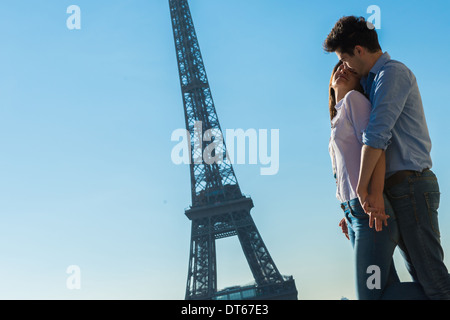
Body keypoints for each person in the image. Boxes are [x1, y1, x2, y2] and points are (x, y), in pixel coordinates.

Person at [324, 15, 450, 300]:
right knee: (424, 280)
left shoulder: (391, 74)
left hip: (410, 186)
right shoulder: (368, 84)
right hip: (395, 191)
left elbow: (377, 137)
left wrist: (365, 191)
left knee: (433, 280)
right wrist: (353, 206)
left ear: (358, 50)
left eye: (345, 59)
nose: (345, 67)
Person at [328, 61, 427, 300]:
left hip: (370, 217)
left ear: (359, 82)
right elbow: (345, 172)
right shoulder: (338, 116)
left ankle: (439, 287)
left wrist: (373, 195)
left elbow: (375, 148)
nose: (343, 70)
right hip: (355, 216)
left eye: (350, 70)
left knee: (369, 296)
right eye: (338, 68)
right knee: (382, 291)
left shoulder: (355, 101)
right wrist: (347, 212)